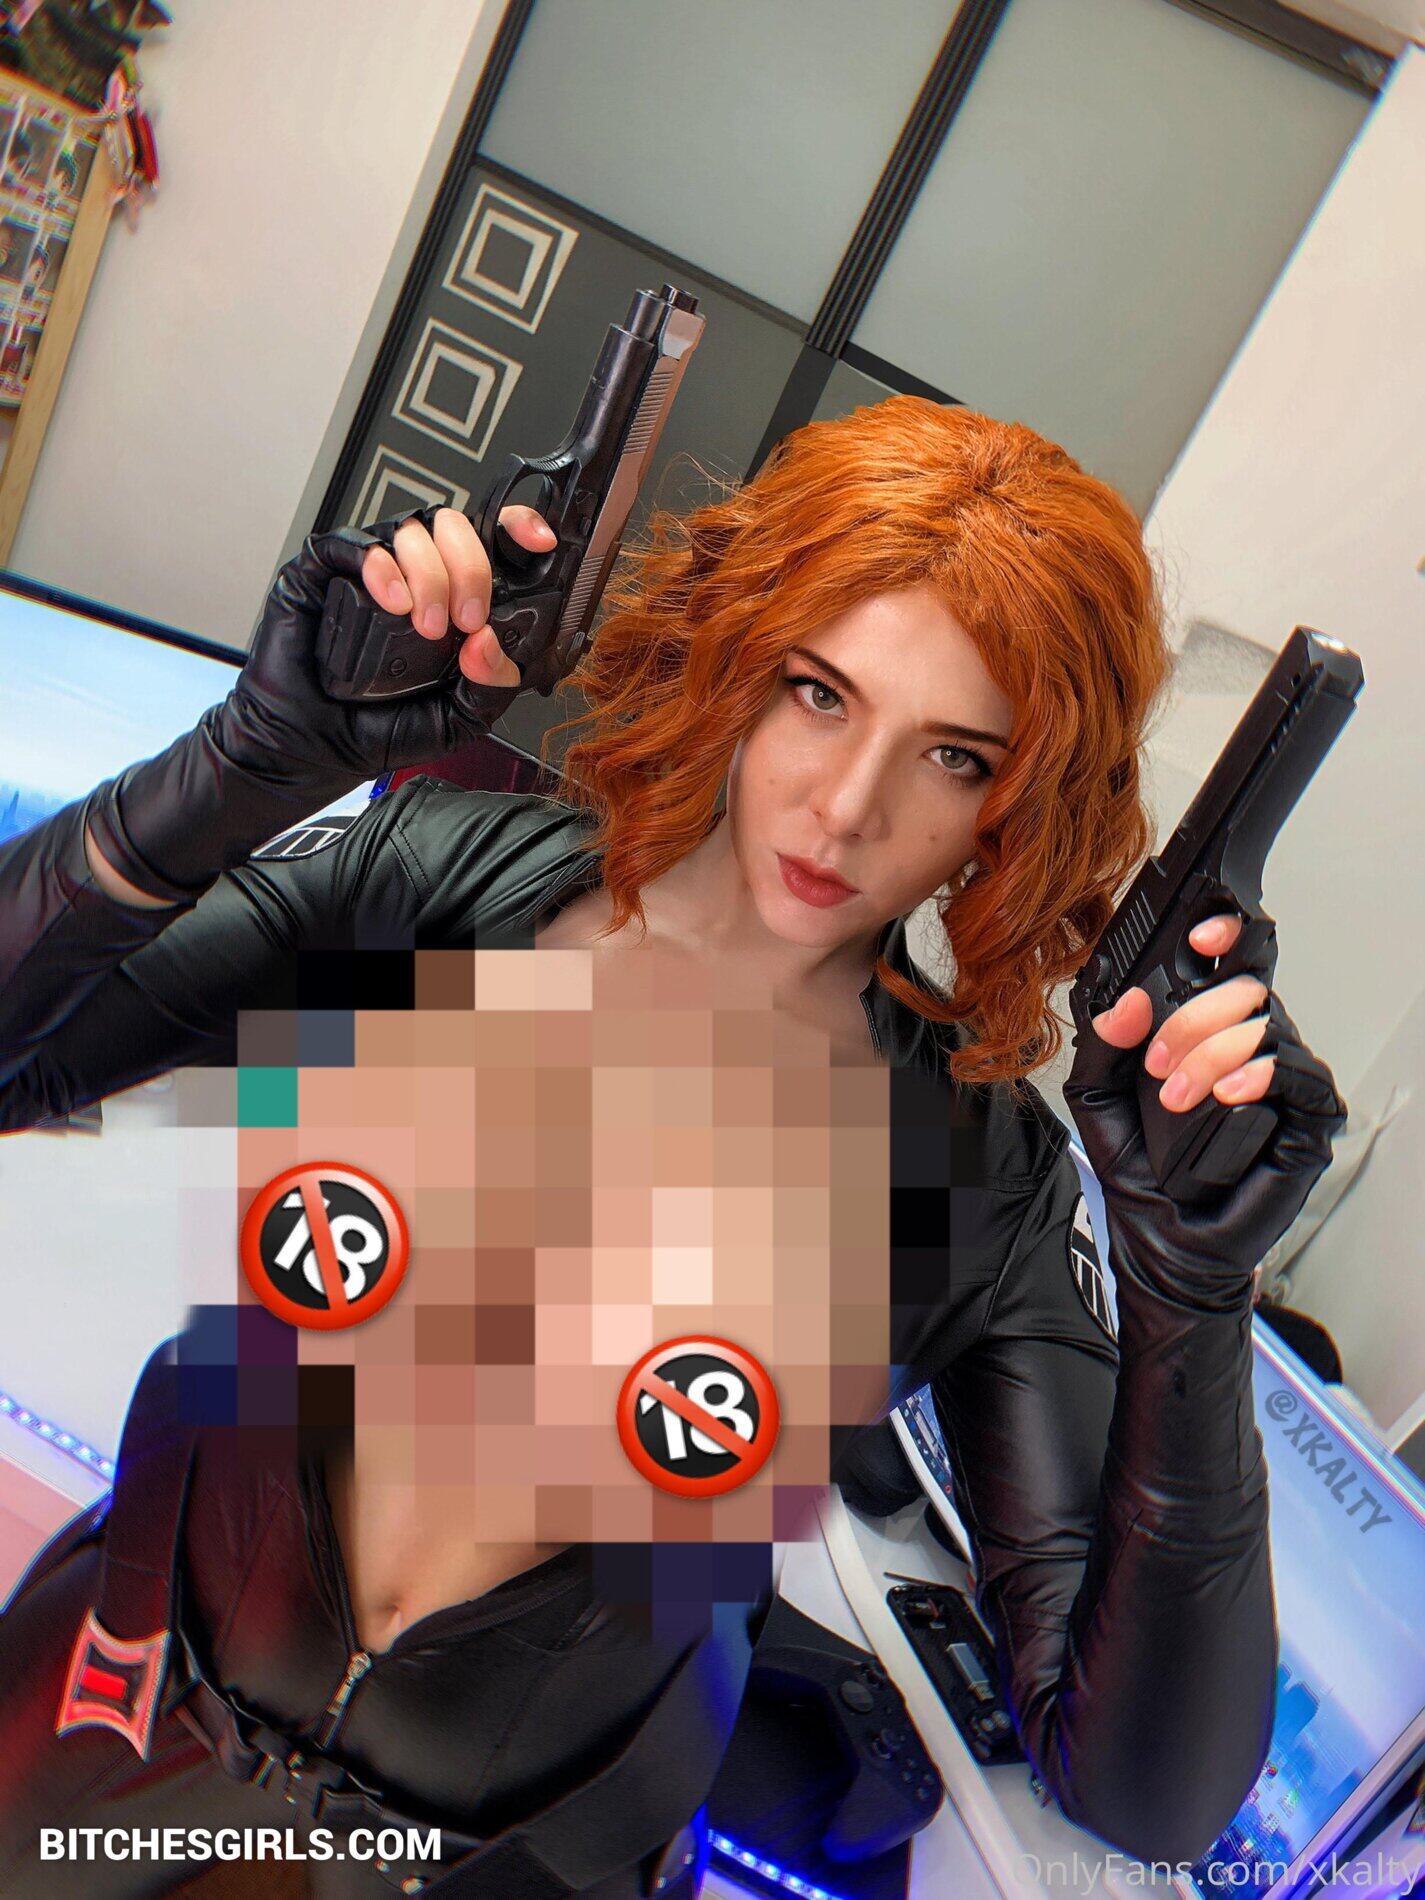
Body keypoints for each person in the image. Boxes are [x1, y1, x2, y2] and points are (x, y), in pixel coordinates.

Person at [0, 398, 1343, 1888]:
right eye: (820, 694)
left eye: (955, 758)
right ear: (740, 654)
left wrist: (1191, 1296)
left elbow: (1144, 1794)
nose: (845, 807)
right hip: (106, 1721)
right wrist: (248, 760)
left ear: (1017, 809)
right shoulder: (440, 886)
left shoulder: (970, 1178)